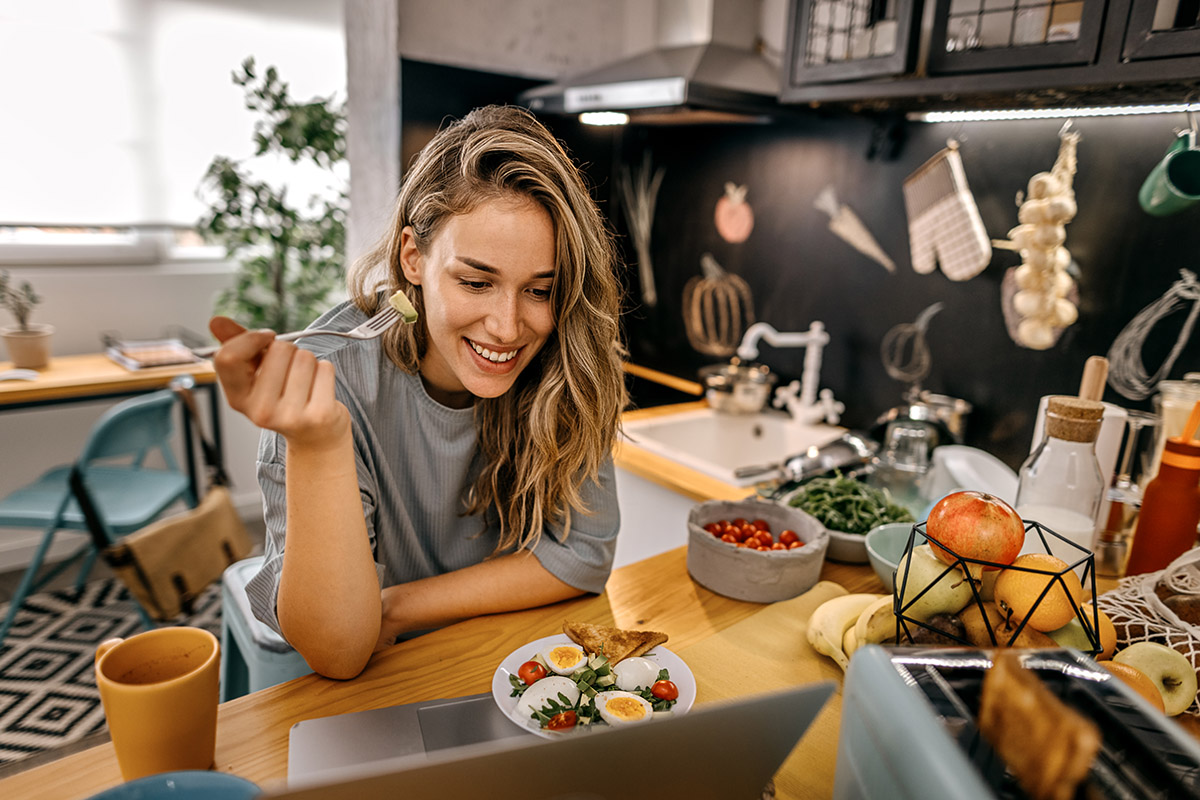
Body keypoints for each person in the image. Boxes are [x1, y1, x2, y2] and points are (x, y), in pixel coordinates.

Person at [208, 105, 626, 680]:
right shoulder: (329, 384)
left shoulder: (569, 362)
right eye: (475, 282)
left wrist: (398, 605)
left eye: (540, 290)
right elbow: (339, 650)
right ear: (413, 258)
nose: (507, 326)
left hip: (501, 661)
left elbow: (584, 555)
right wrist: (321, 442)